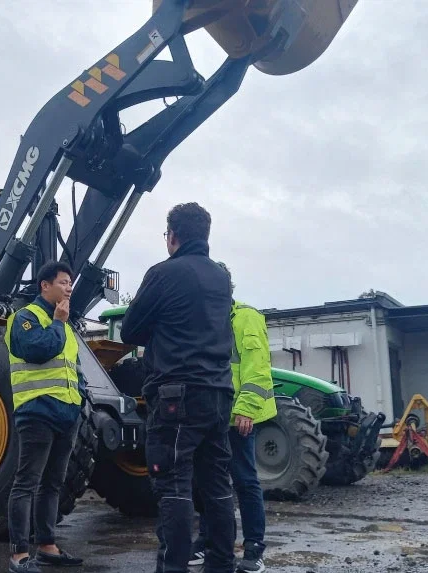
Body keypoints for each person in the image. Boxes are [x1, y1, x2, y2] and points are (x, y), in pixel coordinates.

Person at [120, 202, 236, 573]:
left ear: (172, 236)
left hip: (177, 396)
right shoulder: (220, 277)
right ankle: (221, 563)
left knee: (173, 486)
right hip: (218, 393)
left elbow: (130, 330)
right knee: (216, 483)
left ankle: (173, 567)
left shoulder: (164, 274)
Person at [191, 262, 276, 573]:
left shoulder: (246, 318)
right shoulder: (204, 319)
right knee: (207, 482)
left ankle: (254, 547)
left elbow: (257, 369)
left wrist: (246, 408)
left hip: (238, 415)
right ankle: (207, 540)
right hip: (210, 414)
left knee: (244, 480)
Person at [4, 261, 86, 573]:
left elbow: (71, 370)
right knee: (27, 482)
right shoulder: (25, 318)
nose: (68, 288)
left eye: (70, 283)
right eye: (63, 282)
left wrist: (78, 406)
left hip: (66, 414)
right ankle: (19, 555)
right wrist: (58, 323)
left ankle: (47, 545)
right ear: (44, 286)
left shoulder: (62, 323)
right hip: (37, 411)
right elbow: (38, 350)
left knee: (53, 484)